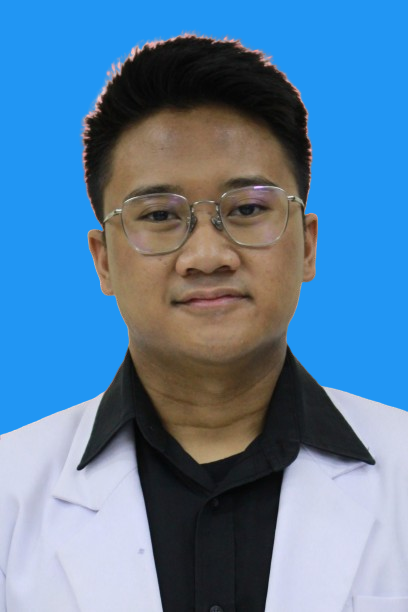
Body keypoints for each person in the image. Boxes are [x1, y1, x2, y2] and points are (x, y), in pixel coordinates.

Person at [1, 34, 408, 612]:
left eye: (247, 208)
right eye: (160, 215)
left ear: (307, 245)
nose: (207, 256)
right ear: (103, 260)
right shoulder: (10, 494)